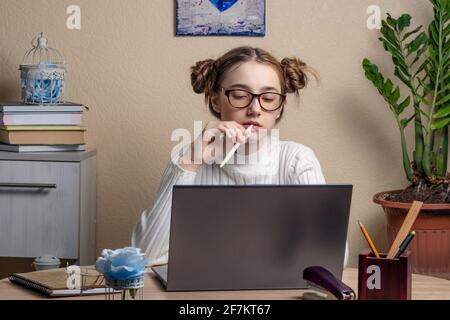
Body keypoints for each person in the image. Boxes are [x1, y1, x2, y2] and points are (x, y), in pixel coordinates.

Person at [131, 46, 349, 267]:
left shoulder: (296, 160)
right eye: (240, 95)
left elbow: (332, 257)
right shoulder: (188, 158)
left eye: (269, 97)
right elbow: (143, 256)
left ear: (280, 106)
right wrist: (189, 163)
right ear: (216, 100)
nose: (255, 109)